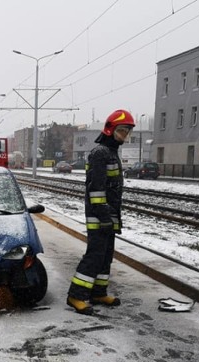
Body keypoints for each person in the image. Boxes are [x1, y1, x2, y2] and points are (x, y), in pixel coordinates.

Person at [66, 109, 135, 315]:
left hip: (109, 215)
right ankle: (76, 295)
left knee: (106, 256)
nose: (124, 135)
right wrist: (104, 216)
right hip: (99, 216)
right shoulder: (100, 153)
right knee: (95, 256)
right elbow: (96, 190)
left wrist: (112, 217)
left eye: (127, 131)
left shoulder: (111, 153)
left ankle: (98, 292)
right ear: (110, 129)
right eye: (122, 130)